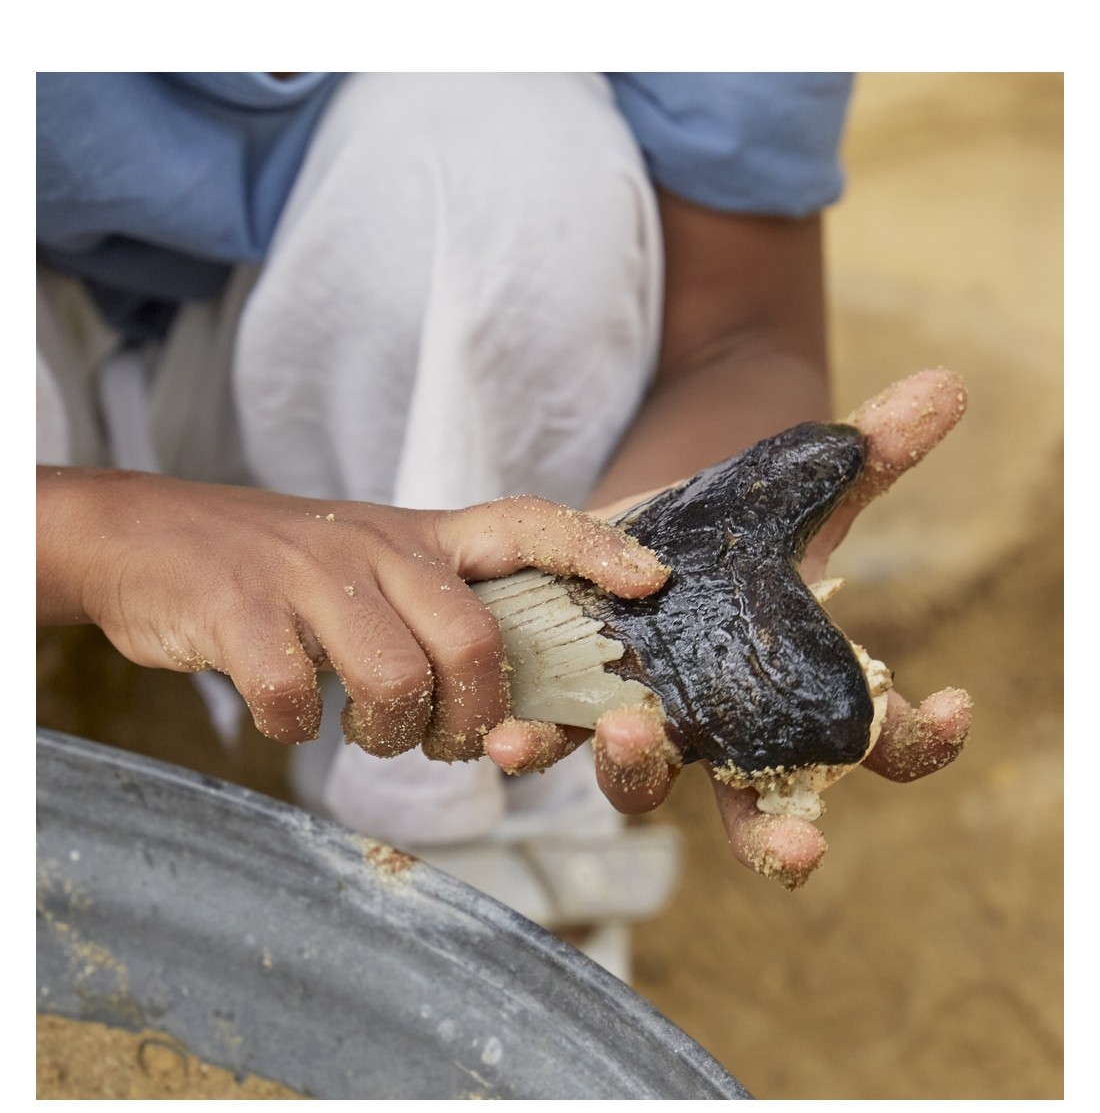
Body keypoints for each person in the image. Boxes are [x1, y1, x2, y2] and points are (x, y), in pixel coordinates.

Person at [36, 73, 970, 976]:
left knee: (502, 150)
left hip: (316, 311)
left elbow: (740, 334)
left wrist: (657, 557)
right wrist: (102, 536)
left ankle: (475, 855)